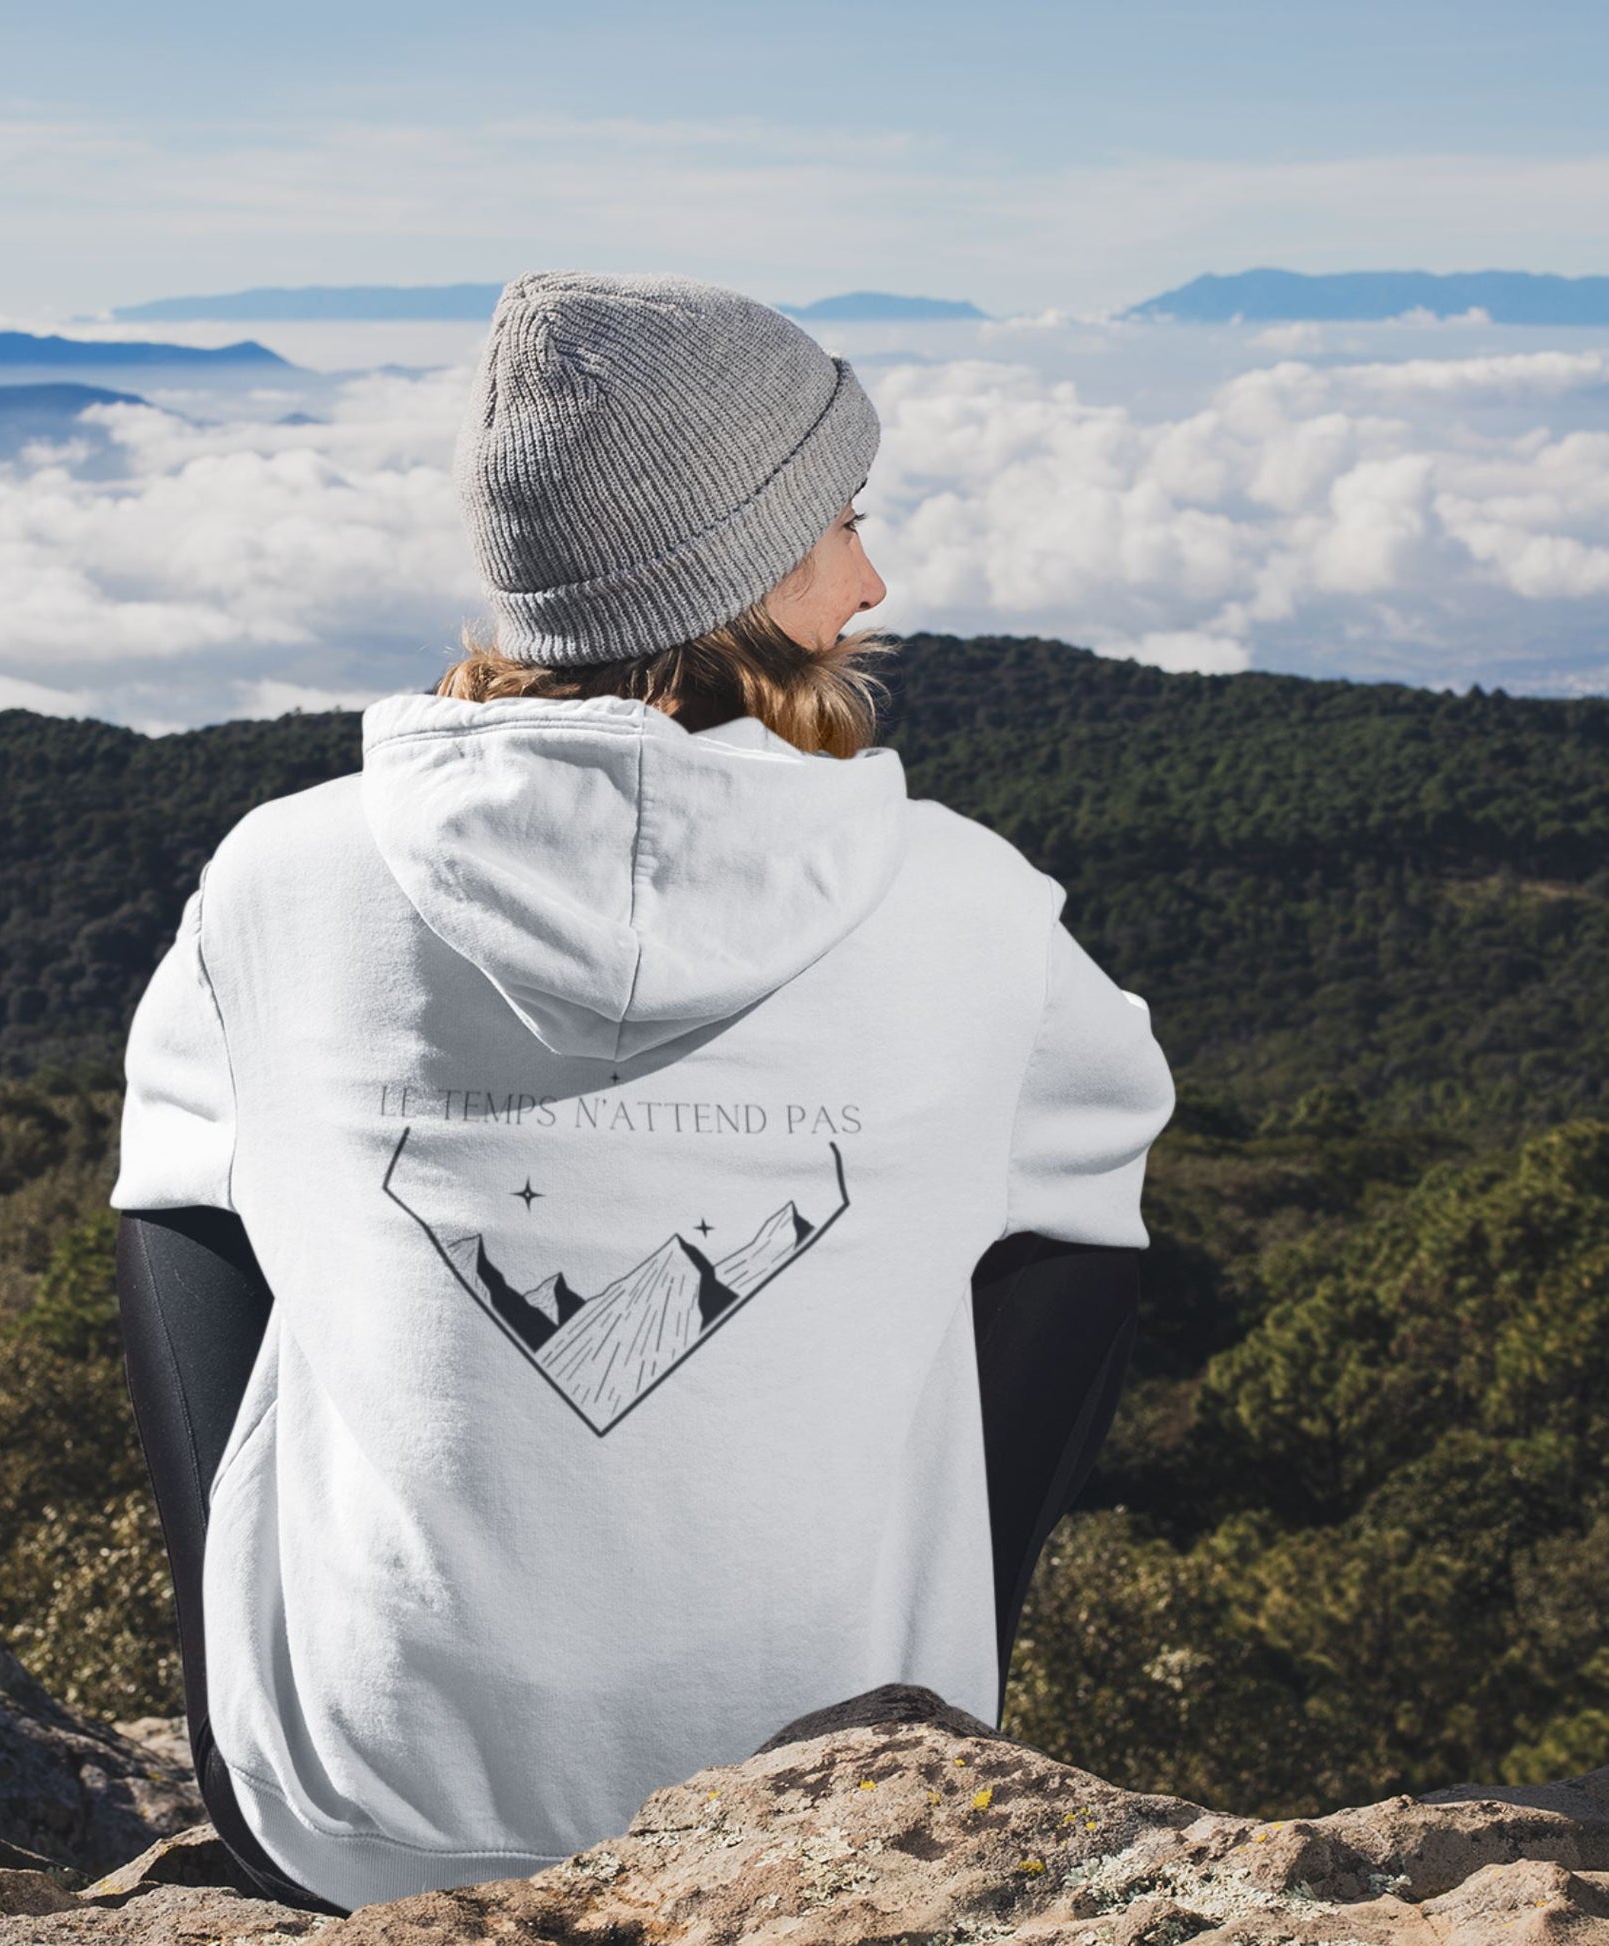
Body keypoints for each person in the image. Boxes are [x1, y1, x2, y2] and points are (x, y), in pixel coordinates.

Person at [110, 270, 1176, 1917]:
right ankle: (923, 1681)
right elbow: (1095, 1171)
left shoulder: (282, 879)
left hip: (348, 1819)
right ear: (737, 566)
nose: (871, 577)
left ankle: (296, 1698)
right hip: (830, 1821)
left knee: (193, 1175)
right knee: (1070, 1206)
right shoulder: (969, 911)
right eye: (839, 524)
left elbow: (179, 1199)